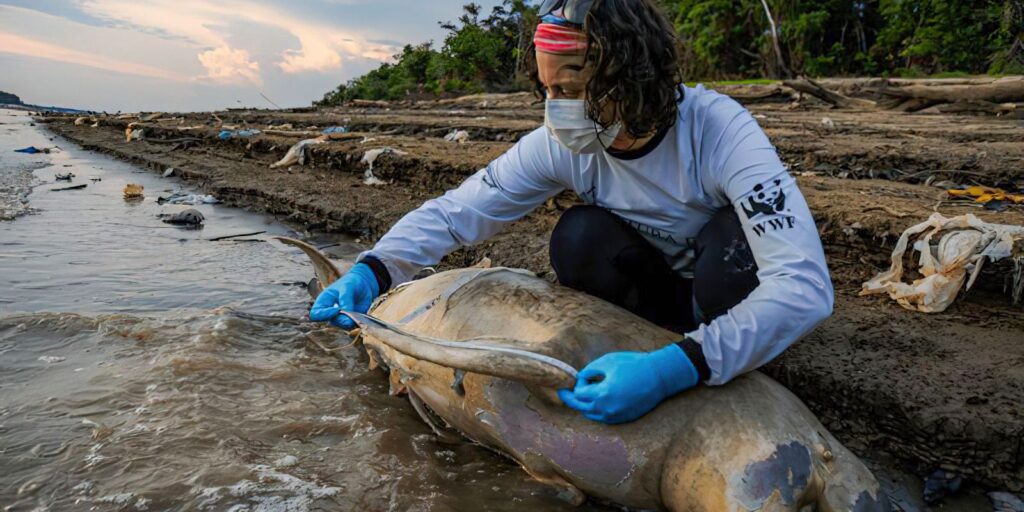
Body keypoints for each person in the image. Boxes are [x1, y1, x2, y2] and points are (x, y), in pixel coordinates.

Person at [310, 0, 833, 425]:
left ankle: (708, 358)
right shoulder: (563, 145)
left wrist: (678, 368)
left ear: (630, 76)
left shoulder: (720, 132)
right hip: (656, 294)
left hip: (720, 293)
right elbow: (457, 212)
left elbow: (804, 287)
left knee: (733, 245)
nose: (556, 108)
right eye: (547, 90)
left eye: (573, 90)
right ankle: (641, 353)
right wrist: (374, 268)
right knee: (577, 236)